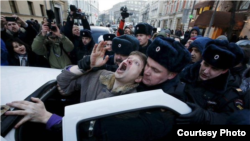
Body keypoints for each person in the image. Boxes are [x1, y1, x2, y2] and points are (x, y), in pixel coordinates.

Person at [5, 41, 147, 128]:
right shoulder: (99, 75)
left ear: (139, 78)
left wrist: (46, 117)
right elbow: (63, 83)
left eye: (135, 63)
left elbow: (93, 134)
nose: (127, 61)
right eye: (129, 58)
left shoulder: (131, 105)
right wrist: (85, 66)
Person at [177, 40, 244, 125]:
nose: (206, 71)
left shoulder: (229, 90)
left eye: (214, 69)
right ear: (202, 60)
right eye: (206, 64)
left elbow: (232, 119)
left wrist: (205, 116)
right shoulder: (184, 72)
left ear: (224, 71)